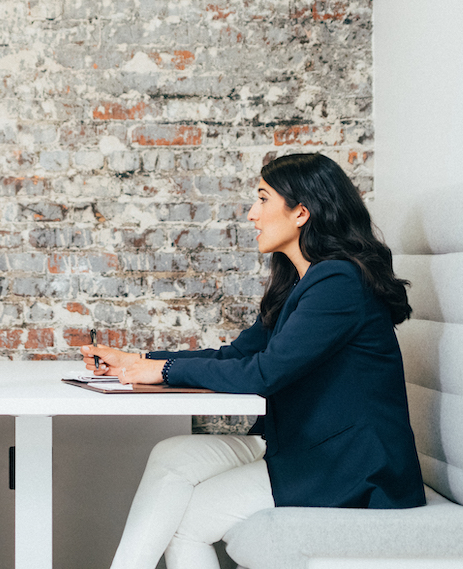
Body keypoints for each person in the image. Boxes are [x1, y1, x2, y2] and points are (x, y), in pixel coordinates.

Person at [80, 152, 426, 569]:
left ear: (301, 212)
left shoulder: (340, 282)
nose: (251, 214)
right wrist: (137, 359)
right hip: (299, 443)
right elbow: (237, 355)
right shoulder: (305, 281)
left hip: (350, 465)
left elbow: (263, 374)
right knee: (171, 456)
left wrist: (164, 371)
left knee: (186, 524)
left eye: (262, 199)